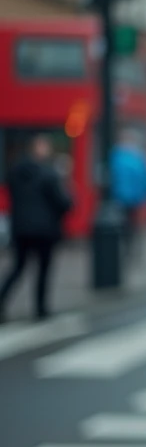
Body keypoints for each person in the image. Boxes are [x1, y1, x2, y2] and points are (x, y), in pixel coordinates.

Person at [0, 136, 73, 323]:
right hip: (44, 229)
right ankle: (40, 309)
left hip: (21, 228)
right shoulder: (49, 174)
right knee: (43, 270)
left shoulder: (15, 171)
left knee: (18, 267)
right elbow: (63, 203)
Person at [109, 127, 146, 261]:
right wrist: (145, 195)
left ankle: (125, 249)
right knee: (131, 226)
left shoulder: (115, 156)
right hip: (133, 198)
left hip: (120, 197)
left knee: (123, 225)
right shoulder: (138, 157)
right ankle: (130, 250)